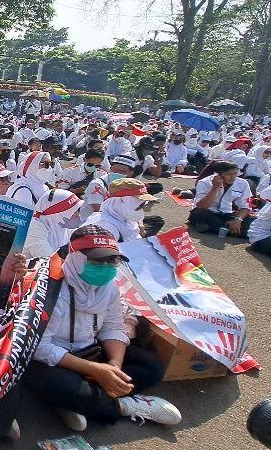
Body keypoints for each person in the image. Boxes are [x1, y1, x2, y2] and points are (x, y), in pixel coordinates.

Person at [26, 226, 180, 431]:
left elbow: (113, 327)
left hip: (90, 350)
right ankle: (122, 406)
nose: (107, 267)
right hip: (53, 359)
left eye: (112, 261)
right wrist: (95, 370)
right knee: (56, 384)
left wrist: (114, 366)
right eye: (98, 261)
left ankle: (83, 401)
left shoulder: (109, 286)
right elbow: (39, 347)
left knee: (152, 367)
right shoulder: (51, 287)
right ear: (76, 257)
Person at [188, 161, 254, 237]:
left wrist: (238, 220)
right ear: (218, 174)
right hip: (208, 212)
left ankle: (216, 228)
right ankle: (231, 231)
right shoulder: (205, 182)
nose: (233, 177)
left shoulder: (243, 183)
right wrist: (215, 187)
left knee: (252, 220)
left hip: (227, 214)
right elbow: (202, 206)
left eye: (235, 173)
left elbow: (246, 206)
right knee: (200, 213)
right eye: (229, 174)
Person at [85, 178, 157, 241]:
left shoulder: (125, 219)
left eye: (142, 206)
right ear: (120, 203)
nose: (141, 210)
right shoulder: (104, 228)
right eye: (139, 206)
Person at [24, 189, 84, 259]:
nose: (77, 215)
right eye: (72, 211)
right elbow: (49, 260)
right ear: (57, 213)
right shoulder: (34, 229)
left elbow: (77, 235)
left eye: (77, 210)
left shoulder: (60, 225)